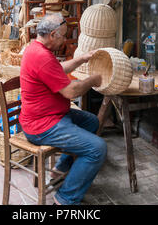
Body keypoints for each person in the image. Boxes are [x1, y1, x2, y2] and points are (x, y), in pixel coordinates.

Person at [19, 13, 107, 205]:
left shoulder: (37, 48)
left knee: (92, 122)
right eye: (63, 35)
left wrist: (81, 59)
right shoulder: (41, 56)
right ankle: (66, 198)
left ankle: (61, 168)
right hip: (41, 126)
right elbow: (71, 92)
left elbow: (57, 69)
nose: (65, 39)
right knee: (97, 149)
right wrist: (93, 79)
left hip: (51, 116)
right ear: (52, 35)